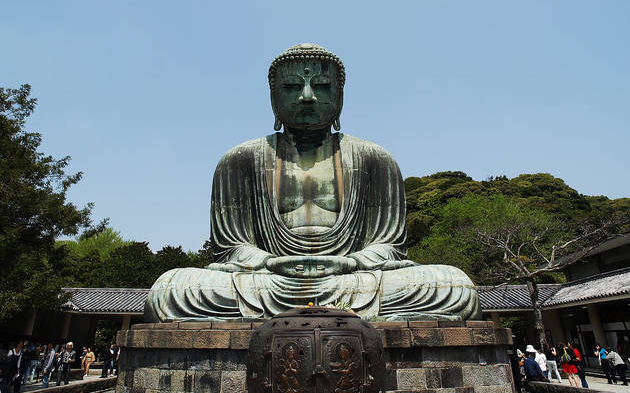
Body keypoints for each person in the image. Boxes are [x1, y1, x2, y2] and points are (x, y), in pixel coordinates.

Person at [145, 43, 481, 322]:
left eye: (321, 87)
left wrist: (352, 262)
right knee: (170, 290)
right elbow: (232, 247)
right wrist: (267, 262)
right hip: (271, 281)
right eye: (292, 87)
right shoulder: (240, 160)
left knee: (454, 287)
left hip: (352, 281)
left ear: (340, 96)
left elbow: (389, 246)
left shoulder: (374, 159)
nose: (307, 97)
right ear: (274, 97)